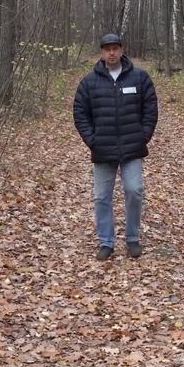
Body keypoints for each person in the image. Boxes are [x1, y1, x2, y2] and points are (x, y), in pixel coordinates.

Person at [72, 33, 159, 260]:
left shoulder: (139, 78)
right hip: (103, 149)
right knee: (102, 197)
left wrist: (143, 136)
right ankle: (106, 242)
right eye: (107, 49)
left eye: (115, 48)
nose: (111, 53)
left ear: (122, 50)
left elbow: (150, 109)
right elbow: (80, 114)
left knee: (134, 190)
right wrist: (93, 140)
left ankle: (132, 239)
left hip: (132, 147)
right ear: (102, 53)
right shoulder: (89, 83)